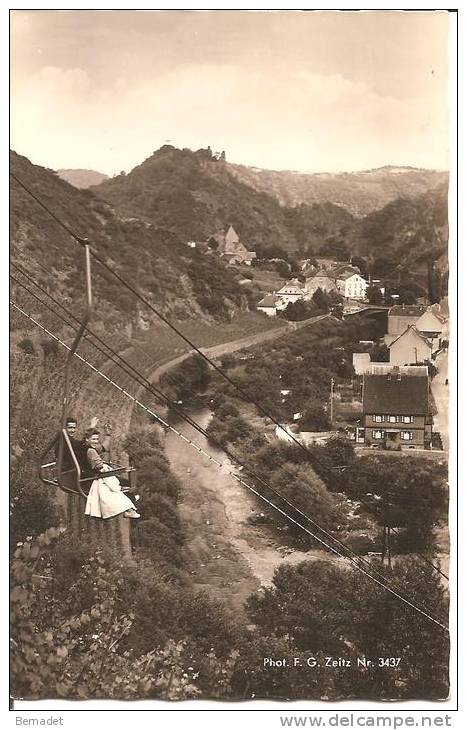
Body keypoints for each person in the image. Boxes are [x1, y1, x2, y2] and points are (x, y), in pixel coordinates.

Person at [83, 428, 140, 520]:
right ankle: (129, 505)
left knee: (123, 483)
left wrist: (107, 435)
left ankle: (131, 500)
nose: (95, 441)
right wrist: (107, 468)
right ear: (87, 439)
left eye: (97, 439)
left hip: (97, 472)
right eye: (93, 439)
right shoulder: (90, 451)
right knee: (116, 486)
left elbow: (103, 447)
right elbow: (99, 466)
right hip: (97, 475)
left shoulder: (91, 447)